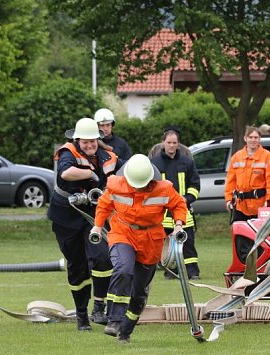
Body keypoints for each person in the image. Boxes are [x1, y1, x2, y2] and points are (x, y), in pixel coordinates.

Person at [91, 154, 187, 343]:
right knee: (123, 269)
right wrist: (97, 225)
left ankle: (125, 332)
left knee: (138, 292)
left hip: (150, 240)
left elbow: (179, 205)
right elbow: (103, 204)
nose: (137, 187)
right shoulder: (115, 184)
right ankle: (114, 320)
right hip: (123, 232)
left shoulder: (164, 189)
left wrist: (178, 224)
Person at [49, 117, 119, 331]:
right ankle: (82, 316)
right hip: (66, 218)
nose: (89, 145)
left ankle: (99, 306)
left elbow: (122, 176)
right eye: (85, 142)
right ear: (77, 140)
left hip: (93, 215)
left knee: (102, 258)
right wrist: (90, 174)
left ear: (98, 140)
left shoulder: (106, 155)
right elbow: (66, 172)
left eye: (93, 141)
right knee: (77, 267)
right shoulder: (67, 152)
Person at [149, 127, 202, 279]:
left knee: (188, 243)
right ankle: (171, 271)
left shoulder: (187, 162)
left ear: (178, 144)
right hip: (161, 212)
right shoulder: (154, 163)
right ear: (162, 143)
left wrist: (187, 198)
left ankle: (192, 272)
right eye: (169, 142)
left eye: (174, 143)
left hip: (183, 210)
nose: (171, 145)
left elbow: (195, 185)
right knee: (165, 244)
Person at [224, 126, 270, 222]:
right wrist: (229, 199)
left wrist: (268, 200)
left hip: (260, 204)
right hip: (240, 206)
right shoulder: (237, 157)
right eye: (250, 137)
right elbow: (231, 181)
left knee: (260, 235)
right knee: (241, 235)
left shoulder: (267, 156)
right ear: (245, 138)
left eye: (255, 137)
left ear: (259, 139)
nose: (253, 140)